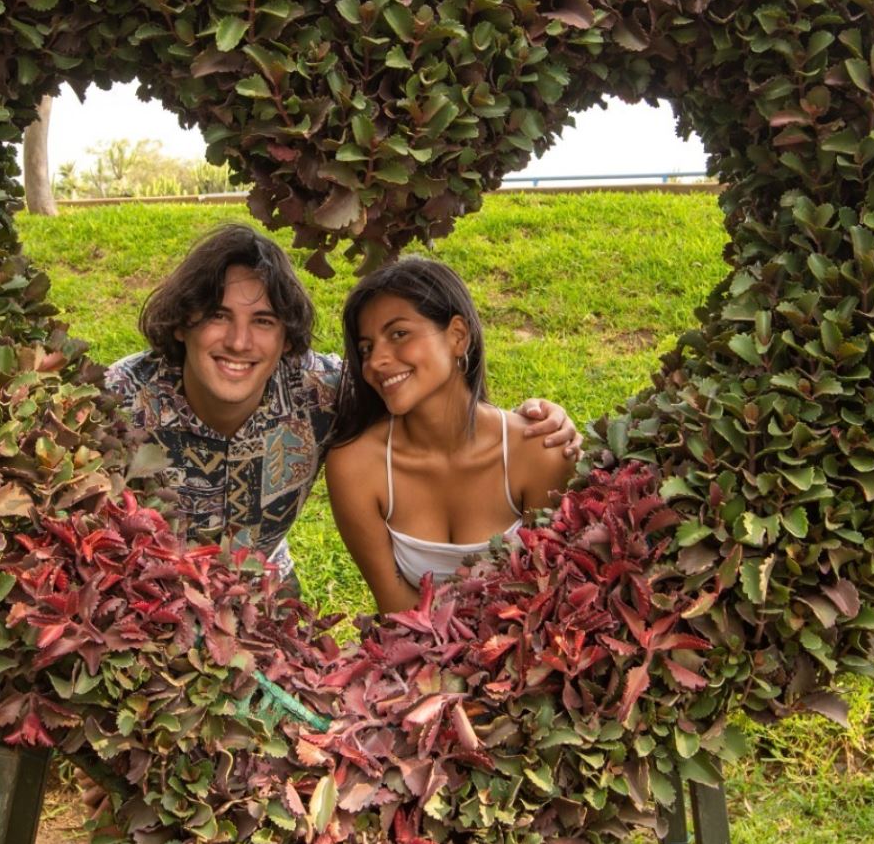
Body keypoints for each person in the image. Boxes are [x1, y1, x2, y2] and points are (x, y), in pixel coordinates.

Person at [102, 224, 582, 593]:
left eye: (263, 321)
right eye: (217, 316)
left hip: (266, 596)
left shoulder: (322, 388)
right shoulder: (119, 400)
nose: (239, 341)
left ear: (287, 338)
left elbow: (424, 390)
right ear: (182, 323)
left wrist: (538, 418)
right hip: (145, 601)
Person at [324, 257, 576, 614]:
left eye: (399, 334)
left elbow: (544, 595)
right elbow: (395, 608)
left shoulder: (538, 450)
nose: (376, 361)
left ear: (458, 336)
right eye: (366, 348)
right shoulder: (356, 466)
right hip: (410, 658)